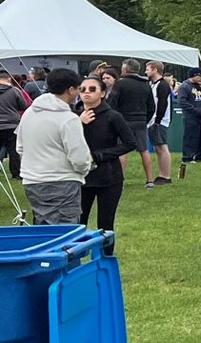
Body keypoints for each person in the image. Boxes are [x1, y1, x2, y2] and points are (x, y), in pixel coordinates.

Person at [17, 69, 92, 224]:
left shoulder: (29, 113)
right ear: (71, 90)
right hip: (62, 182)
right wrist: (83, 170)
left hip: (32, 182)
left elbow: (20, 148)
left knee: (43, 230)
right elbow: (79, 158)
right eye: (78, 88)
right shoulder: (68, 118)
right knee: (64, 235)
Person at [76, 74, 137, 231]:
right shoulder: (72, 116)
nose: (86, 93)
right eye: (82, 89)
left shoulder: (113, 116)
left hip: (108, 177)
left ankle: (106, 255)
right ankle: (76, 254)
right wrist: (78, 123)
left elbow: (130, 143)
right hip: (80, 176)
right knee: (77, 222)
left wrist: (99, 155)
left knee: (105, 223)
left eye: (92, 89)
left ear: (102, 93)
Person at [109, 59, 156, 187]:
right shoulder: (146, 84)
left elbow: (112, 103)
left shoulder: (120, 84)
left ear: (125, 70)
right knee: (144, 150)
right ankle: (150, 180)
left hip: (123, 121)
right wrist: (145, 119)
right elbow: (151, 106)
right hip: (140, 121)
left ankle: (120, 180)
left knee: (122, 150)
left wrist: (115, 120)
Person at [142, 61, 176, 186]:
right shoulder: (154, 84)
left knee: (162, 147)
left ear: (155, 69)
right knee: (158, 147)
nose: (146, 71)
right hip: (155, 120)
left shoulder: (162, 85)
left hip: (159, 120)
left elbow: (163, 103)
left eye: (147, 69)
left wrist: (157, 120)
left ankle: (165, 175)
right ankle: (162, 174)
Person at [0, 67, 31, 180]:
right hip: (12, 124)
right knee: (14, 150)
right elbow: (24, 106)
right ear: (8, 79)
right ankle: (16, 173)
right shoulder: (15, 91)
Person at [177, 72, 201, 171]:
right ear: (193, 76)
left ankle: (200, 155)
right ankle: (188, 156)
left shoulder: (198, 86)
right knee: (191, 136)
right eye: (199, 76)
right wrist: (194, 109)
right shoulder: (185, 86)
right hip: (191, 116)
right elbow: (182, 101)